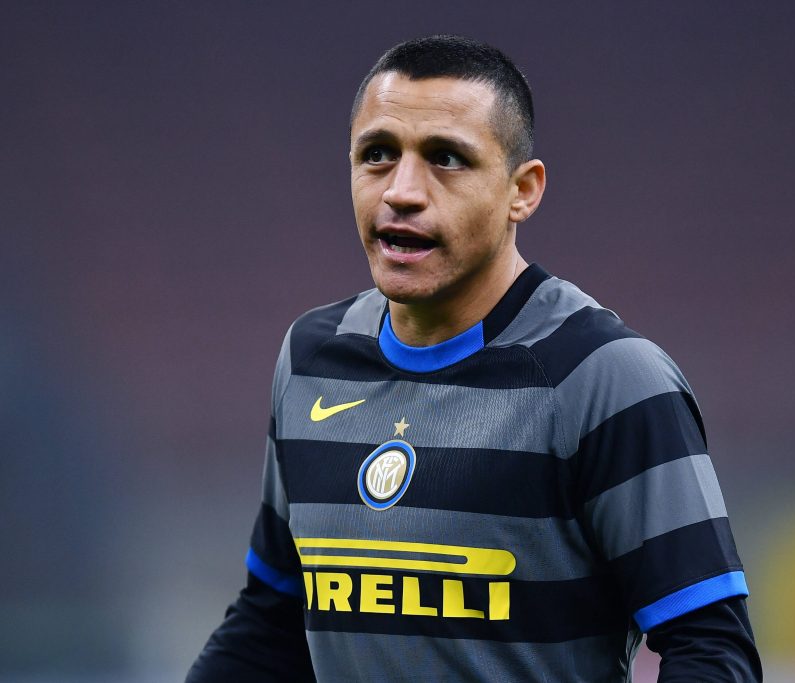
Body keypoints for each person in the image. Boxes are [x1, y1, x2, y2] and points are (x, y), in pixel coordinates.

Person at [187, 35, 762, 682]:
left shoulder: (605, 378)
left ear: (523, 190)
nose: (402, 191)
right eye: (377, 154)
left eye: (446, 159)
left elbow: (711, 650)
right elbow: (270, 623)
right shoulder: (311, 359)